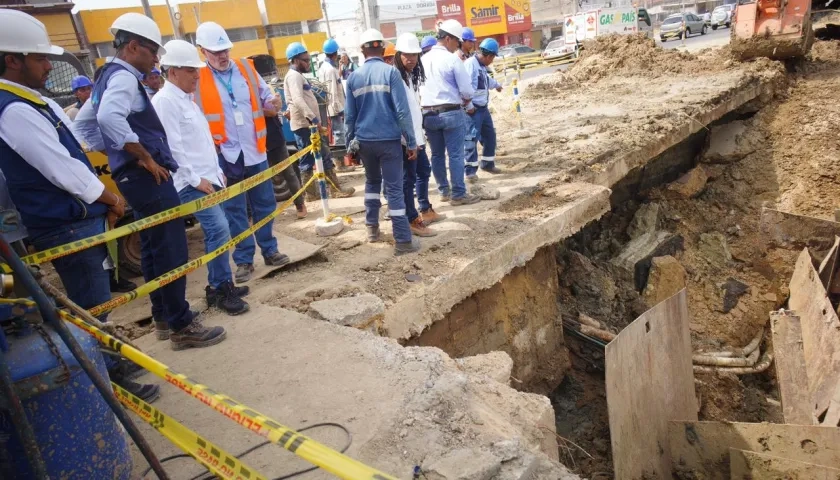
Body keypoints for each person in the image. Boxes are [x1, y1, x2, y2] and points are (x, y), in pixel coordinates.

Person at [0, 9, 160, 401]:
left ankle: (110, 360)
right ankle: (110, 380)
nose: (46, 66)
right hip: (64, 223)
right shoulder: (14, 109)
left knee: (98, 301)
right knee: (90, 307)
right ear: (11, 60)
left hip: (76, 217)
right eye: (39, 59)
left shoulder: (30, 101)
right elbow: (59, 168)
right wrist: (107, 197)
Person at [93, 12, 225, 350]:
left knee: (153, 249)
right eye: (153, 51)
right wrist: (144, 156)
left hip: (133, 178)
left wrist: (114, 149)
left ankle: (163, 317)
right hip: (148, 177)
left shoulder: (104, 77)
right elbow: (108, 118)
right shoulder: (123, 77)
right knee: (170, 250)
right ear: (133, 46)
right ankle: (181, 324)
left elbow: (88, 127)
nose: (156, 60)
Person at [152, 39, 250, 316]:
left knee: (221, 230)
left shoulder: (186, 100)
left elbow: (201, 142)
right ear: (173, 72)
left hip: (207, 178)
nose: (197, 75)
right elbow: (172, 148)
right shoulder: (165, 102)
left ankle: (221, 284)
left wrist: (216, 172)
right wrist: (195, 179)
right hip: (189, 183)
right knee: (218, 229)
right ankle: (219, 289)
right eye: (191, 70)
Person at [193, 21, 292, 284]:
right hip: (226, 156)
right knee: (235, 210)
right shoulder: (197, 78)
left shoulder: (246, 68)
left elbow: (265, 96)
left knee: (265, 204)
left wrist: (273, 101)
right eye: (216, 52)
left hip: (255, 151)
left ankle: (270, 250)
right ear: (203, 51)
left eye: (225, 49)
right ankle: (244, 260)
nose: (223, 55)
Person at [345, 29, 420, 255]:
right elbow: (402, 112)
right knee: (395, 189)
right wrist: (412, 142)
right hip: (389, 142)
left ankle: (372, 229)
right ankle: (403, 241)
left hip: (365, 141)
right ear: (382, 48)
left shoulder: (353, 77)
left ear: (362, 50)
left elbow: (350, 117)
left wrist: (350, 145)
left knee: (371, 183)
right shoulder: (391, 73)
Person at [283, 41, 354, 201]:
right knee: (310, 159)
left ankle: (318, 193)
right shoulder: (294, 76)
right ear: (295, 60)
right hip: (306, 126)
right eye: (305, 60)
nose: (308, 63)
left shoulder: (297, 76)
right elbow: (298, 100)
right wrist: (314, 120)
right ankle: (322, 192)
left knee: (321, 155)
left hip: (308, 125)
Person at [420, 19, 480, 206]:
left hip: (428, 113)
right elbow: (467, 91)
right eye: (456, 41)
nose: (458, 45)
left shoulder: (422, 59)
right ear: (447, 39)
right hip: (451, 112)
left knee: (437, 155)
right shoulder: (452, 59)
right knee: (455, 154)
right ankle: (459, 194)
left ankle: (444, 191)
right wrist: (466, 99)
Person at [394, 33, 444, 236]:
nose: (412, 59)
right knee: (408, 179)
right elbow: (400, 113)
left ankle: (425, 209)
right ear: (399, 55)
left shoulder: (411, 76)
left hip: (416, 137)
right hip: (406, 140)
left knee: (424, 171)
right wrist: (410, 142)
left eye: (415, 55)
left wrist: (419, 139)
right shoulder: (395, 77)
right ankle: (411, 218)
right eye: (407, 55)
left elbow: (414, 110)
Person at [464, 38, 503, 180]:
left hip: (483, 108)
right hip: (473, 109)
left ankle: (487, 163)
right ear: (489, 56)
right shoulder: (470, 65)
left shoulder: (480, 66)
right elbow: (465, 87)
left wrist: (497, 85)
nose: (492, 61)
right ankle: (470, 172)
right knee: (471, 139)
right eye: (492, 58)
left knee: (489, 136)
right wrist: (469, 106)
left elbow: (485, 80)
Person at [317, 38, 348, 150]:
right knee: (339, 133)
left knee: (338, 133)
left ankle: (341, 162)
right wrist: (339, 110)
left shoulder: (323, 67)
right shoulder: (330, 70)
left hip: (331, 106)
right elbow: (332, 91)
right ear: (335, 54)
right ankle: (341, 164)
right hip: (335, 107)